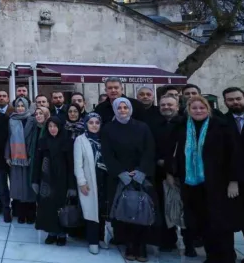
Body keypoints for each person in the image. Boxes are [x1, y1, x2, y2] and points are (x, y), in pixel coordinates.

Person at [167, 95, 244, 263]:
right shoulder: (182, 127)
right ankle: (212, 256)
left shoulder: (221, 126)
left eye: (201, 108)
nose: (198, 111)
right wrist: (171, 173)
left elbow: (234, 154)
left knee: (221, 222)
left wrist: (233, 181)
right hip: (192, 184)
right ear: (188, 110)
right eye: (194, 108)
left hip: (218, 183)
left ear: (208, 109)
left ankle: (226, 257)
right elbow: (174, 152)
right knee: (203, 222)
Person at [102, 97, 155, 262]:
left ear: (130, 109)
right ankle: (129, 245)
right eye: (119, 108)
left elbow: (149, 150)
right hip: (119, 177)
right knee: (123, 211)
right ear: (115, 110)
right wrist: (122, 173)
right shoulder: (108, 128)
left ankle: (142, 245)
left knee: (142, 210)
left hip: (141, 177)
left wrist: (140, 172)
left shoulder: (142, 127)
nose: (123, 110)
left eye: (125, 107)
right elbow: (107, 153)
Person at [31, 117, 75, 246]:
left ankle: (61, 234)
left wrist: (72, 186)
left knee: (60, 206)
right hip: (46, 179)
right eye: (50, 126)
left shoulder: (67, 142)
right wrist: (35, 180)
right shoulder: (43, 141)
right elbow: (37, 162)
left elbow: (71, 165)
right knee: (47, 208)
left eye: (55, 126)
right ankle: (51, 233)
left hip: (62, 180)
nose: (52, 129)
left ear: (60, 127)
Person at [222, 87, 244, 263]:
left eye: (238, 98)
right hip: (234, 180)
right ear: (225, 102)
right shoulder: (221, 122)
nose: (235, 102)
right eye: (231, 100)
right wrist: (232, 179)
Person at [150, 95, 183, 253]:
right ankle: (168, 239)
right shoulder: (156, 125)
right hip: (159, 172)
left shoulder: (185, 124)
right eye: (163, 105)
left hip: (182, 173)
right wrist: (158, 161)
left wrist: (171, 167)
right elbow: (151, 147)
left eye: (170, 105)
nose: (166, 107)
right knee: (164, 206)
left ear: (177, 106)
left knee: (184, 207)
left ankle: (189, 242)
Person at [74, 113, 109, 255]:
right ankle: (93, 240)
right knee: (91, 211)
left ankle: (102, 238)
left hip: (105, 178)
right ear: (86, 124)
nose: (94, 125)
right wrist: (82, 182)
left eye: (97, 122)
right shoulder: (80, 140)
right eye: (91, 123)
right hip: (89, 180)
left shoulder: (105, 139)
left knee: (103, 210)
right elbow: (78, 164)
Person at [6, 97, 39, 224]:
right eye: (18, 106)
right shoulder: (12, 121)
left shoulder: (33, 120)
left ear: (27, 107)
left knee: (29, 186)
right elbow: (8, 138)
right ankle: (20, 214)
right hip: (16, 158)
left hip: (30, 156)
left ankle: (31, 214)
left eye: (22, 106)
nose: (20, 108)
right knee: (18, 186)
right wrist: (7, 156)